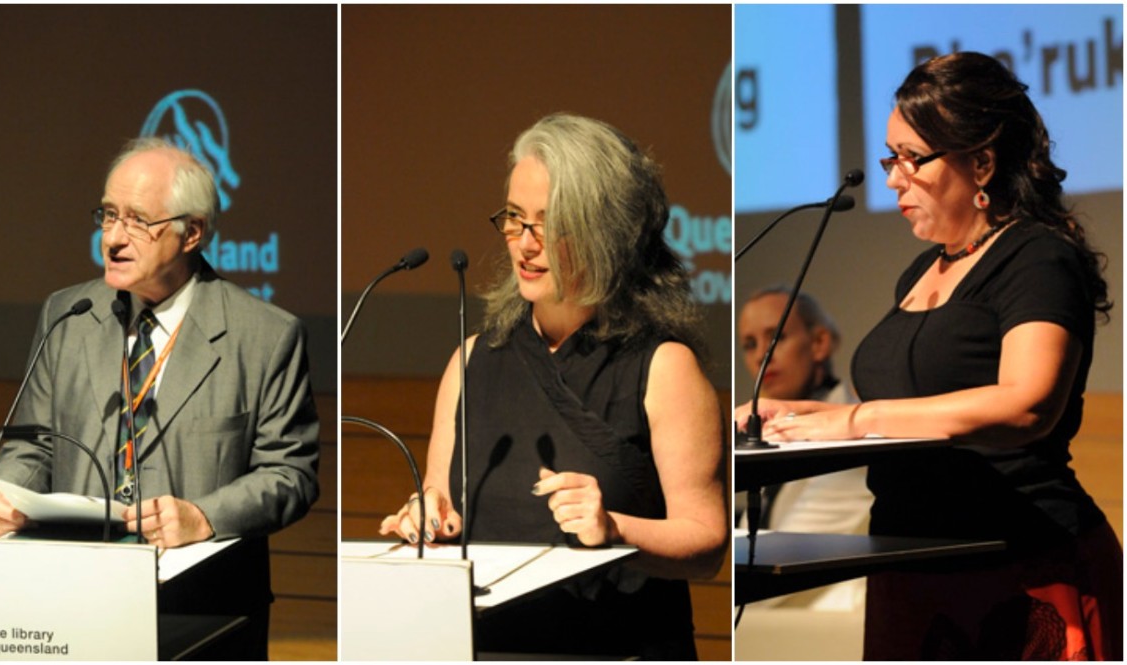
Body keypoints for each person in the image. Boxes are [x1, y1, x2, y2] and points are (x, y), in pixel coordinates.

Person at [737, 51, 1122, 660]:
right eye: (892, 158)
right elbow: (912, 412)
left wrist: (856, 418)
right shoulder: (922, 269)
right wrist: (802, 414)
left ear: (983, 162)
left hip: (1016, 563)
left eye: (912, 159)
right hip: (910, 563)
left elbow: (1027, 406)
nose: (893, 178)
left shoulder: (1037, 258)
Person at [379, 113, 729, 659]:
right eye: (515, 219)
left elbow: (707, 543)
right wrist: (426, 516)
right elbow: (439, 498)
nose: (523, 243)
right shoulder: (472, 359)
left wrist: (614, 528)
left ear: (605, 231)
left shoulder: (664, 367)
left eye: (549, 223)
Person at [0, 137, 321, 658]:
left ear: (192, 233)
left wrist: (204, 516)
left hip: (201, 611)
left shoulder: (266, 335)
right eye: (108, 215)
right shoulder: (68, 315)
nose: (113, 237)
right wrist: (7, 496)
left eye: (137, 220)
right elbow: (35, 444)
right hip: (74, 604)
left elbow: (290, 475)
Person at [736, 286, 869, 541]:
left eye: (777, 338)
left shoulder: (853, 433)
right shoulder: (766, 430)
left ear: (819, 343)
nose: (761, 355)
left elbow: (784, 548)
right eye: (750, 345)